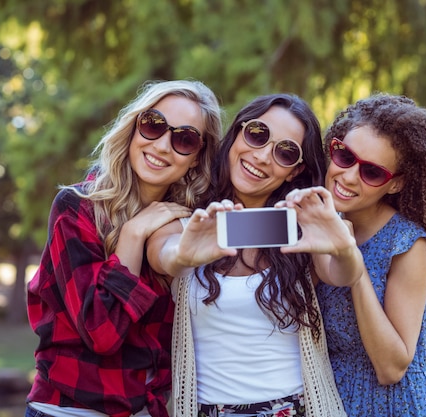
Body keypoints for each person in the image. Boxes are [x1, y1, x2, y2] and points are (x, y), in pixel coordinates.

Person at [25, 79, 223, 417]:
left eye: (184, 139)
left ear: (196, 158)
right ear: (133, 128)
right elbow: (102, 334)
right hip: (69, 410)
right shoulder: (76, 208)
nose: (162, 146)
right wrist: (133, 233)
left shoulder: (189, 225)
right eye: (153, 125)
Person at [146, 94, 347, 417]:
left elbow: (341, 274)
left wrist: (345, 249)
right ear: (237, 133)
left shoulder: (301, 229)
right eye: (257, 134)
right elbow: (163, 256)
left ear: (295, 171)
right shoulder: (184, 223)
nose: (264, 156)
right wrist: (183, 254)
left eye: (285, 152)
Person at [278, 93, 426, 416]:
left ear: (395, 184)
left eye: (372, 172)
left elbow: (391, 368)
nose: (348, 176)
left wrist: (355, 268)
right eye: (344, 156)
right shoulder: (314, 220)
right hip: (329, 401)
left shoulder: (407, 243)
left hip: (393, 405)